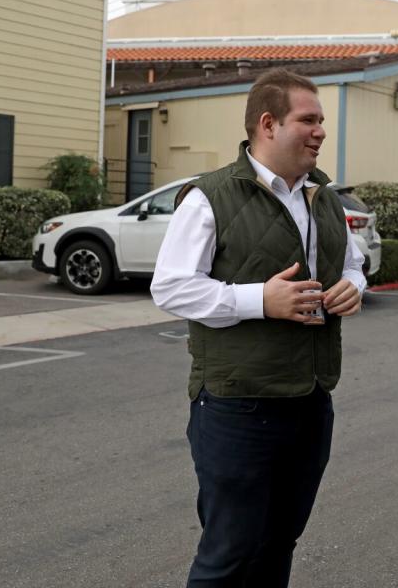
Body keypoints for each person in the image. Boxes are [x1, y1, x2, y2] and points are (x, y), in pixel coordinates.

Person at [151, 68, 366, 587]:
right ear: (268, 125)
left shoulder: (323, 196)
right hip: (236, 406)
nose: (320, 132)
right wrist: (259, 301)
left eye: (322, 121)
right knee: (230, 553)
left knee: (278, 544)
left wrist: (353, 287)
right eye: (308, 120)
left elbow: (353, 264)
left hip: (310, 401)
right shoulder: (208, 197)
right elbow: (171, 287)